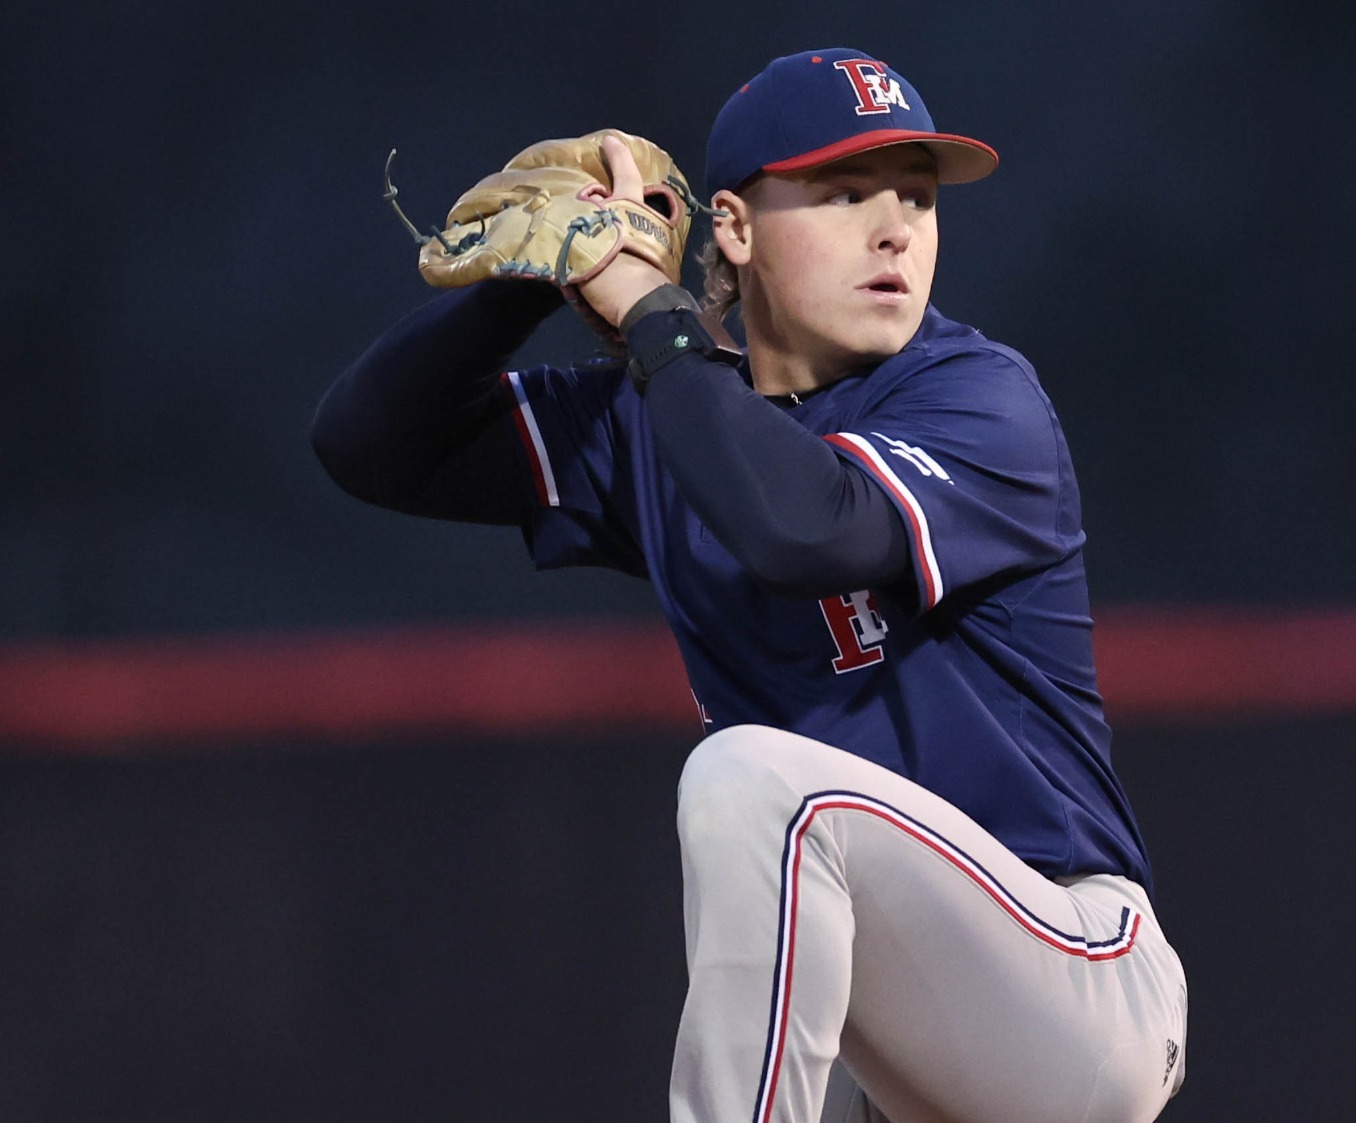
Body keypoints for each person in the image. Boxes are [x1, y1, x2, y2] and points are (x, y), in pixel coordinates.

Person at [313, 47, 1187, 1123]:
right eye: (841, 192)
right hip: (901, 1068)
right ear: (731, 227)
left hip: (1073, 981)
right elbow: (368, 447)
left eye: (915, 195)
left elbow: (798, 526)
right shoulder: (666, 422)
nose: (894, 228)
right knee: (764, 793)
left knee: (754, 785)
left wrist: (643, 304)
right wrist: (526, 285)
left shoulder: (974, 397)